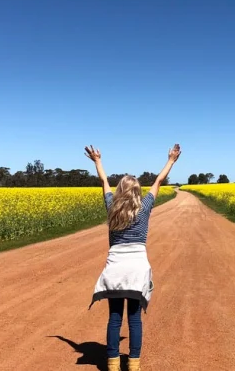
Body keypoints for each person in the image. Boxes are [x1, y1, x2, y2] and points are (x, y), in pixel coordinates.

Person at [85, 143, 181, 371]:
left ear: (120, 191)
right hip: (137, 270)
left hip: (115, 269)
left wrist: (98, 161)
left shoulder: (112, 208)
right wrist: (171, 160)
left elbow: (103, 182)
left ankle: (112, 364)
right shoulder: (144, 209)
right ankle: (134, 365)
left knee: (115, 317)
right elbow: (158, 182)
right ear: (137, 192)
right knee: (135, 319)